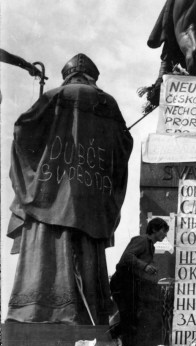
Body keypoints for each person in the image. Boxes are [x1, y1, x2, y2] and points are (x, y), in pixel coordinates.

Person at [6, 54, 133, 325]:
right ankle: (86, 315)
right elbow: (122, 147)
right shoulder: (107, 102)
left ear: (68, 76)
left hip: (49, 194)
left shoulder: (52, 97)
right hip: (89, 200)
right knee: (86, 253)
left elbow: (22, 133)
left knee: (44, 247)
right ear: (91, 76)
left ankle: (36, 311)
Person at [110, 217, 169, 346]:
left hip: (131, 284)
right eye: (163, 231)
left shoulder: (151, 246)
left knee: (133, 319)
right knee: (129, 318)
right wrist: (145, 266)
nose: (165, 235)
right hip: (123, 282)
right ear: (154, 229)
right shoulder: (142, 240)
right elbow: (127, 257)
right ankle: (112, 337)